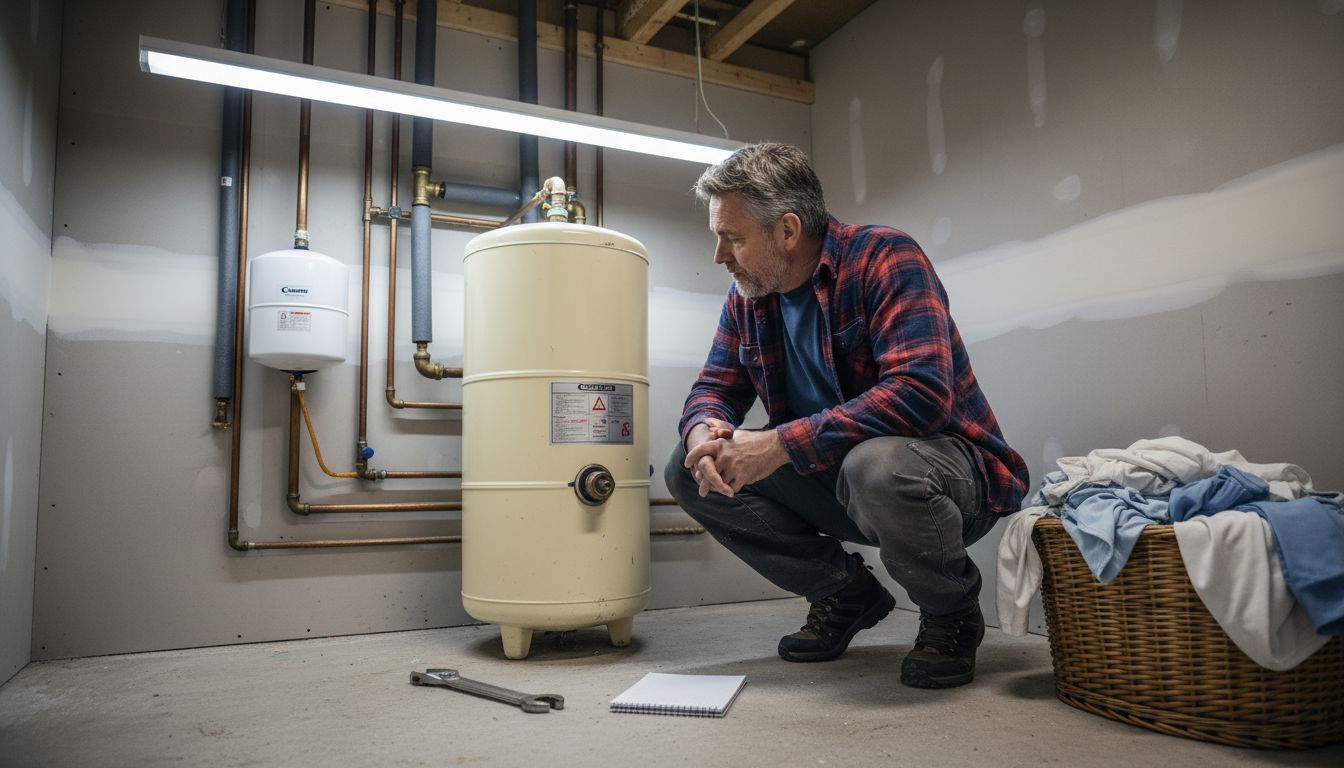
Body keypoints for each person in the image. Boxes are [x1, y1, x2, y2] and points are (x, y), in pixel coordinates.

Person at [665, 143, 1029, 689]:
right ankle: (844, 592)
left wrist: (778, 444)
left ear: (787, 231)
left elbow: (921, 393)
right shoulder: (749, 295)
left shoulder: (885, 257)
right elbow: (715, 386)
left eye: (733, 237)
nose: (720, 255)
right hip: (835, 470)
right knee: (686, 469)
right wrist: (705, 432)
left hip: (943, 477)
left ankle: (951, 614)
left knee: (876, 464)